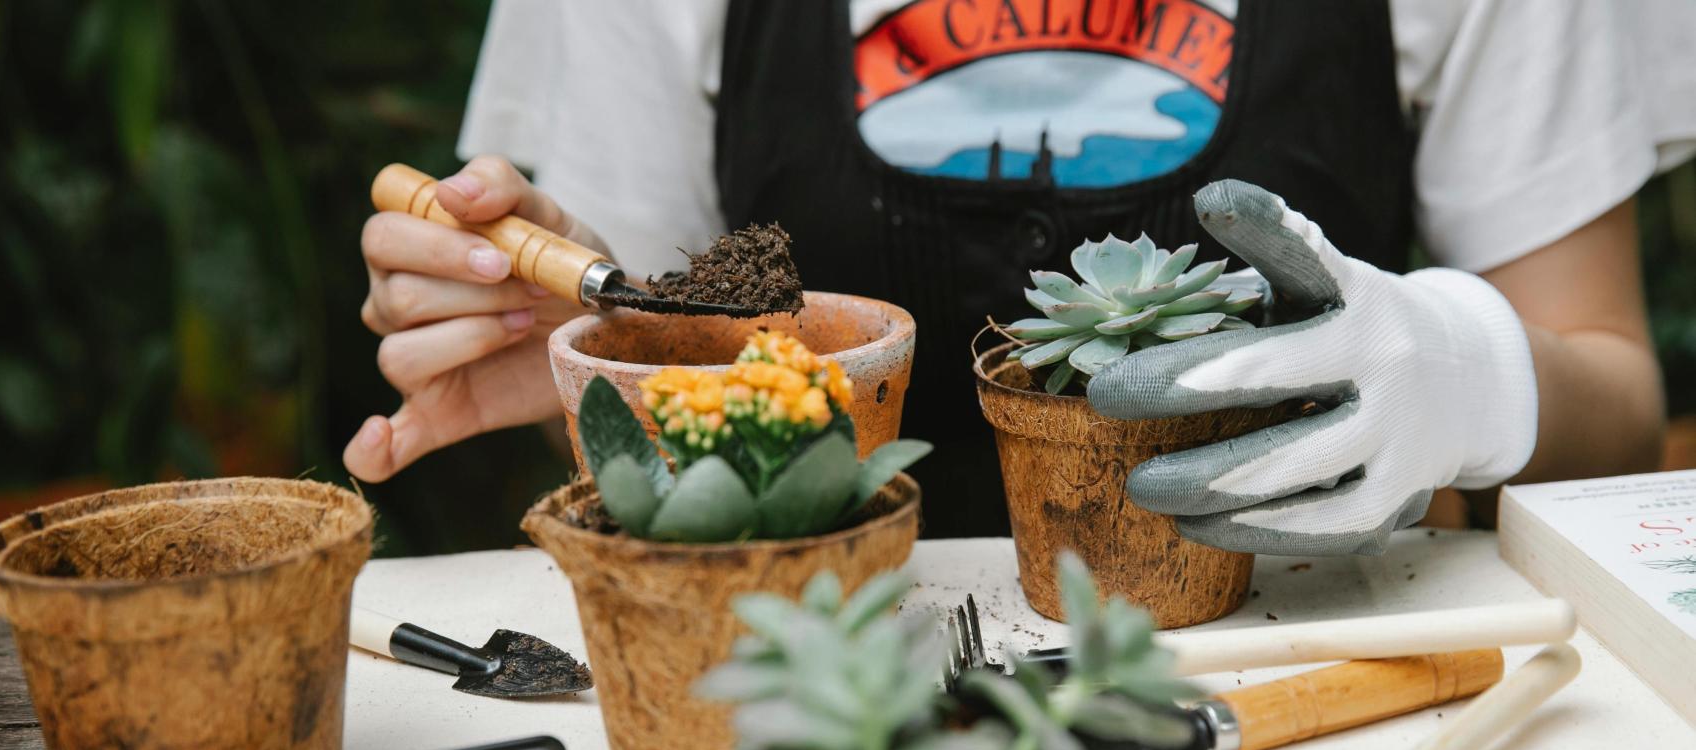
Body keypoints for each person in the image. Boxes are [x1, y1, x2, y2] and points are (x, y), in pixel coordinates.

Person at [349, 0, 1695, 549]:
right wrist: (593, 370)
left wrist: (1470, 376)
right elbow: (640, 370)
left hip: (1332, 666)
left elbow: (1614, 397)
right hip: (817, 693)